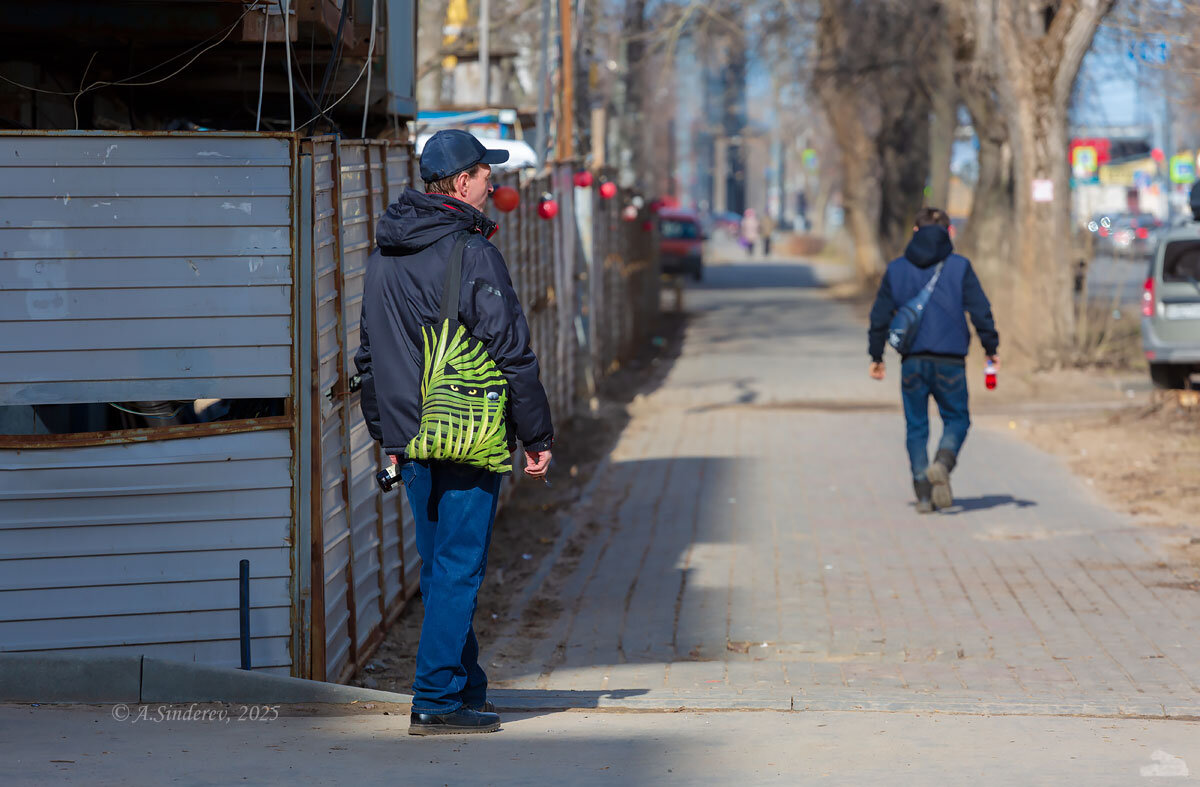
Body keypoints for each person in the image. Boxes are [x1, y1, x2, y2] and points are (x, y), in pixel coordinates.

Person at [355, 129, 554, 735]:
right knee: (459, 567)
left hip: (409, 439)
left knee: (444, 567)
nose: (493, 181)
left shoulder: (384, 254)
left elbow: (369, 356)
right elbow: (512, 352)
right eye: (485, 173)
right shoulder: (472, 253)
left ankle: (465, 689)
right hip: (466, 432)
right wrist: (536, 435)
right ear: (462, 181)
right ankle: (435, 699)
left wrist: (386, 434)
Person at [867, 208, 999, 513]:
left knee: (916, 425)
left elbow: (879, 317)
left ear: (915, 231)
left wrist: (876, 355)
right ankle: (943, 460)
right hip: (951, 360)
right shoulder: (960, 267)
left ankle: (923, 493)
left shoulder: (897, 269)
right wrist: (991, 348)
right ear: (949, 232)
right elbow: (981, 311)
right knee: (957, 418)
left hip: (912, 360)